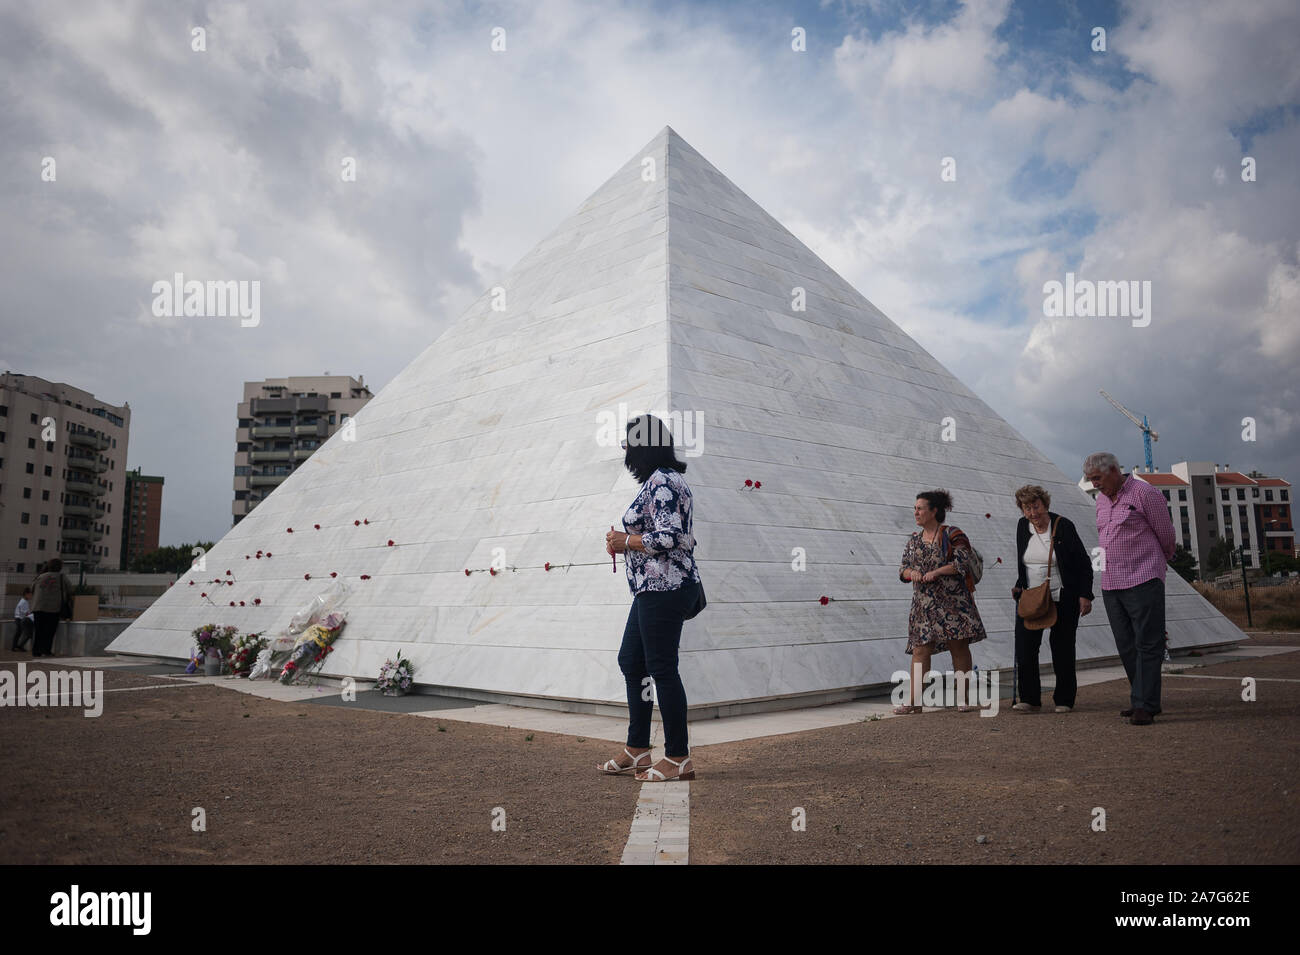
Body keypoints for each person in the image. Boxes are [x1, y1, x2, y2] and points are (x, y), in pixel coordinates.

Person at [598, 414, 703, 782]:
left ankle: (678, 757)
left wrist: (624, 541)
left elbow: (670, 536)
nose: (624, 450)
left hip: (666, 588)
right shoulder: (663, 481)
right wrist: (626, 543)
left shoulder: (664, 482)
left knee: (661, 669)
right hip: (651, 589)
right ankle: (638, 748)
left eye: (628, 443)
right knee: (632, 661)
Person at [1084, 452, 1175, 725]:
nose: (1094, 484)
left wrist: (1159, 563)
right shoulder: (1100, 501)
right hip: (1111, 582)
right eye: (1090, 480)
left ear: (1114, 470)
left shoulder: (1145, 494)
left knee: (1148, 642)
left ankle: (1144, 705)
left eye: (1097, 478)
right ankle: (1143, 699)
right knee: (1126, 644)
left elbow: (1166, 534)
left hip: (1143, 577)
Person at [896, 489, 987, 713]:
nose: (915, 512)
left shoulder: (953, 534)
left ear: (934, 511)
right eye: (915, 508)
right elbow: (903, 569)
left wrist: (937, 572)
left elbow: (961, 564)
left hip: (953, 603)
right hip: (923, 605)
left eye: (920, 508)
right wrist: (911, 574)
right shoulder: (914, 540)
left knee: (958, 647)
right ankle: (915, 702)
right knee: (920, 651)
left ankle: (963, 698)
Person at [1009, 485, 1094, 713]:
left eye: (1035, 506)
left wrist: (1085, 594)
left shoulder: (1063, 526)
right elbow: (1025, 561)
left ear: (1045, 504)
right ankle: (1030, 698)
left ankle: (1064, 699)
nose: (1032, 513)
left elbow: (1083, 564)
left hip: (1063, 596)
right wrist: (1019, 584)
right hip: (1031, 597)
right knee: (1026, 647)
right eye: (1027, 508)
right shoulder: (1021, 527)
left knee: (1063, 648)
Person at [30, 558, 72, 658]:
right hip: (53, 608)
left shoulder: (40, 577)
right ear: (60, 567)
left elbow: (32, 589)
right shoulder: (62, 577)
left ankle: (36, 651)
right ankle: (46, 650)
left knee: (38, 630)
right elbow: (69, 589)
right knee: (50, 631)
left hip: (38, 607)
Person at [11, 586, 35, 651]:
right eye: (30, 595)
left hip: (19, 618)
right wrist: (31, 614)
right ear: (26, 594)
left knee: (19, 633)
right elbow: (26, 613)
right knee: (21, 633)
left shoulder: (24, 601)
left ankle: (16, 646)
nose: (31, 596)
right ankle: (16, 646)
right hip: (20, 619)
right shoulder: (23, 602)